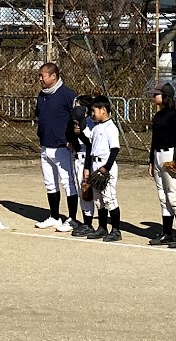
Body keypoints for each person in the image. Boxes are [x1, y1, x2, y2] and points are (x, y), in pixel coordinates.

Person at [34, 61, 79, 232]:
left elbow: (77, 118)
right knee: (50, 183)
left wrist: (72, 139)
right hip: (46, 145)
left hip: (62, 146)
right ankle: (54, 216)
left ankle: (72, 219)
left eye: (42, 76)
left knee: (68, 183)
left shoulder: (67, 94)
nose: (40, 79)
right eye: (39, 76)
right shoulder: (42, 95)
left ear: (53, 76)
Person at [148, 82, 176, 248]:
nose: (153, 96)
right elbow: (154, 140)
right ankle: (167, 233)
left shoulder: (174, 115)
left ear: (165, 96)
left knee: (174, 195)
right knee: (163, 196)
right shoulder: (158, 116)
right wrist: (151, 161)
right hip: (158, 155)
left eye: (156, 94)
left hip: (170, 154)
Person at [77, 94, 122, 241]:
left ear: (103, 110)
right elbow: (90, 144)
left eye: (94, 110)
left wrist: (106, 167)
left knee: (109, 198)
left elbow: (115, 149)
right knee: (98, 199)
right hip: (95, 164)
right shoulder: (96, 127)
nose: (92, 114)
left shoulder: (111, 127)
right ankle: (102, 228)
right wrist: (80, 130)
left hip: (106, 166)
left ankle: (116, 230)